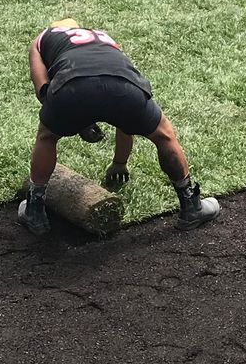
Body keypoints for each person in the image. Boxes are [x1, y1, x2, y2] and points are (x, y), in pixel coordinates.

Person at [18, 21, 220, 234]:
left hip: (72, 87)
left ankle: (34, 212)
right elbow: (120, 112)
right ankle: (190, 206)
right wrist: (119, 163)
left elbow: (42, 89)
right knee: (164, 135)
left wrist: (76, 118)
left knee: (47, 137)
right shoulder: (101, 36)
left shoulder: (42, 39)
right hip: (124, 85)